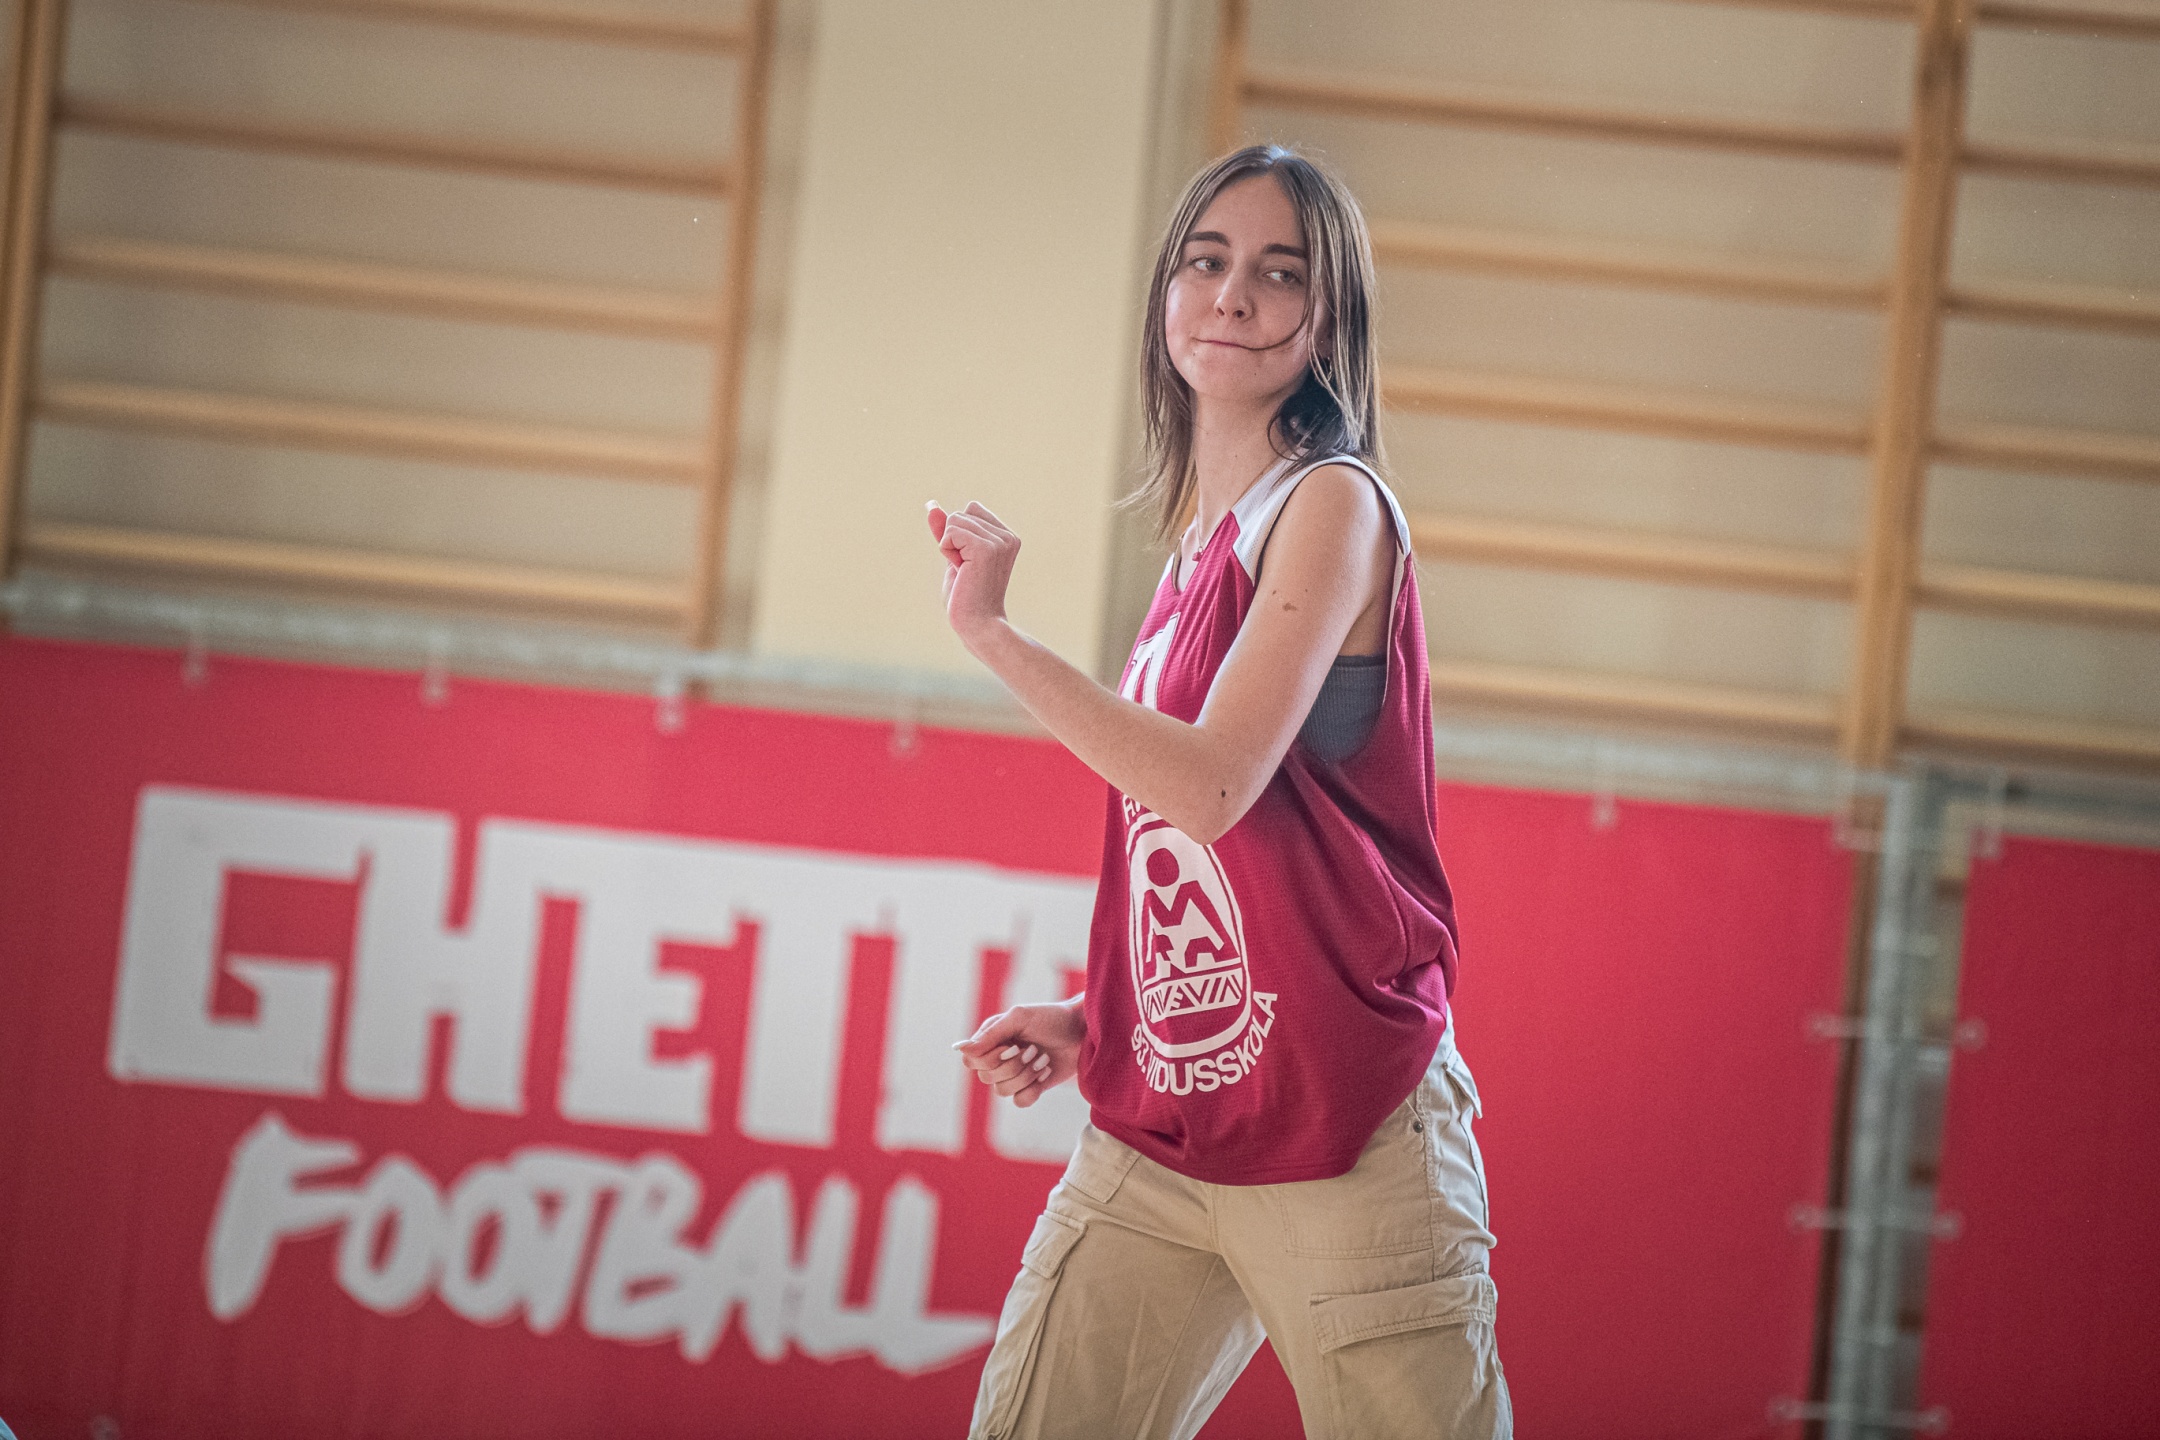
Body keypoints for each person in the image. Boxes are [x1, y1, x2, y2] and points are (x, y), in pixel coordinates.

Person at [930, 144, 1510, 1440]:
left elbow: (1207, 790)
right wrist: (1103, 1018)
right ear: (1167, 293)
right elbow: (1207, 866)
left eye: (1279, 273)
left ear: (1330, 320)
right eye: (1207, 260)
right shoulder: (1201, 540)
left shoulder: (1334, 506)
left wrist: (994, 635)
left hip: (1348, 1125)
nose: (1233, 294)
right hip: (1168, 1125)